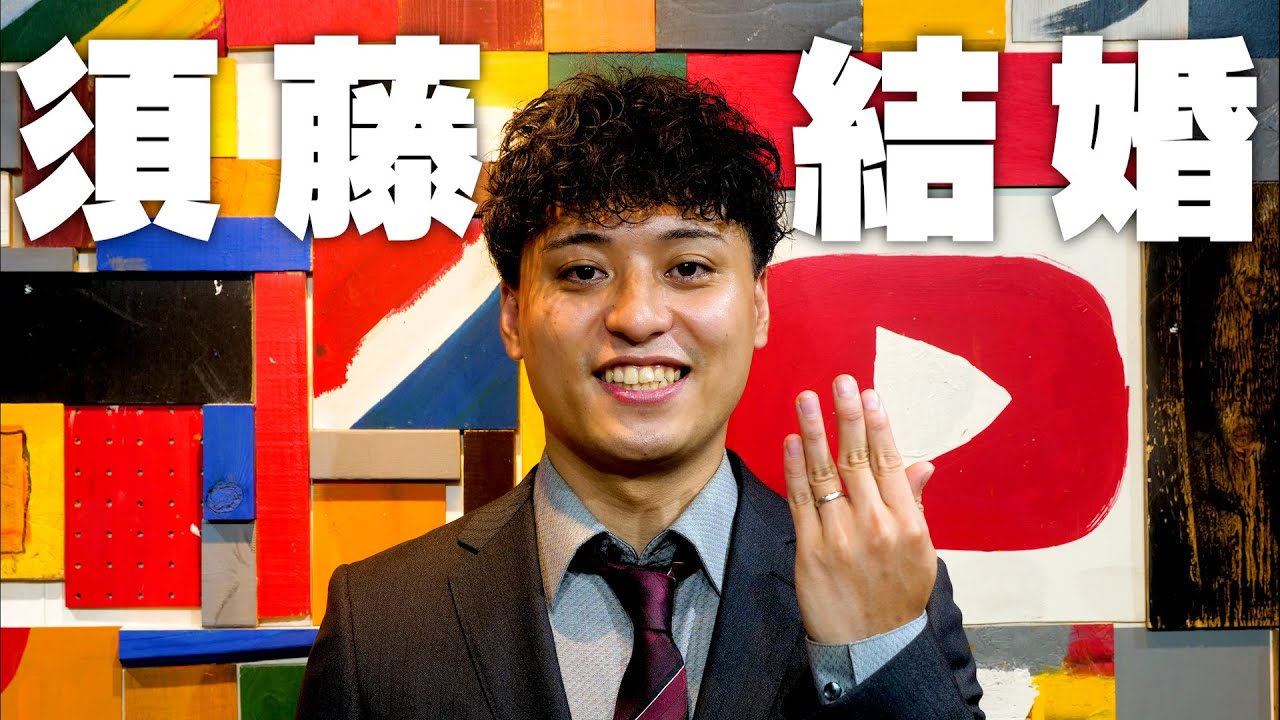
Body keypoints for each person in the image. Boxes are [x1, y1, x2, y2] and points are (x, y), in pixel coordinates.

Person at [296, 70, 984, 720]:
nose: (637, 316)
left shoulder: (886, 582)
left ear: (759, 304)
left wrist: (869, 651)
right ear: (512, 316)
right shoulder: (380, 622)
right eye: (583, 272)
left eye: (687, 267)